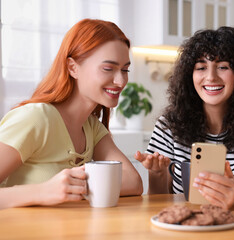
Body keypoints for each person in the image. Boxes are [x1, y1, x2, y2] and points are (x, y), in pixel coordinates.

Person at [0, 19, 143, 209]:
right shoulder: (35, 118)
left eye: (125, 70)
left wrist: (77, 187)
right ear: (73, 67)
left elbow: (133, 182)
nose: (120, 81)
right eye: (108, 68)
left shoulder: (91, 127)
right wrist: (42, 191)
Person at [135, 27, 234, 209]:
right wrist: (157, 174)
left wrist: (233, 189)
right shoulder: (169, 126)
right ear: (189, 74)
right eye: (201, 67)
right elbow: (159, 201)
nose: (211, 77)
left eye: (223, 67)